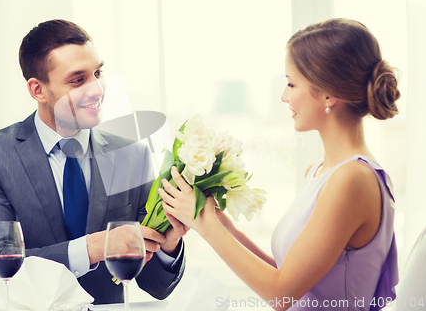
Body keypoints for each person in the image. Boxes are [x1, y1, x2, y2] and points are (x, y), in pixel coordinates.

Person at [159, 18, 400, 310]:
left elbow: (281, 295)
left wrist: (204, 224)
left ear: (328, 93)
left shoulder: (352, 179)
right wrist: (226, 228)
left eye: (291, 83)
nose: (284, 96)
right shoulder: (320, 172)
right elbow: (294, 279)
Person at [0, 19, 187, 305]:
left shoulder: (131, 155)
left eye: (98, 73)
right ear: (38, 90)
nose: (97, 89)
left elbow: (156, 286)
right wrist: (94, 247)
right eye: (78, 79)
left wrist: (168, 246)